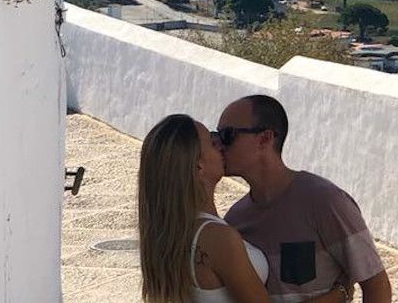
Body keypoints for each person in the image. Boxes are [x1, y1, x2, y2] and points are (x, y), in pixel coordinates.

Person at [137, 114, 353, 303]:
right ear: (198, 166)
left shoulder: (174, 231)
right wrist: (340, 292)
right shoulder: (218, 238)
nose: (221, 145)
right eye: (212, 142)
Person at [218, 96, 392, 303]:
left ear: (265, 138)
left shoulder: (324, 201)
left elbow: (376, 284)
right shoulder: (235, 220)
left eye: (227, 135)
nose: (219, 145)